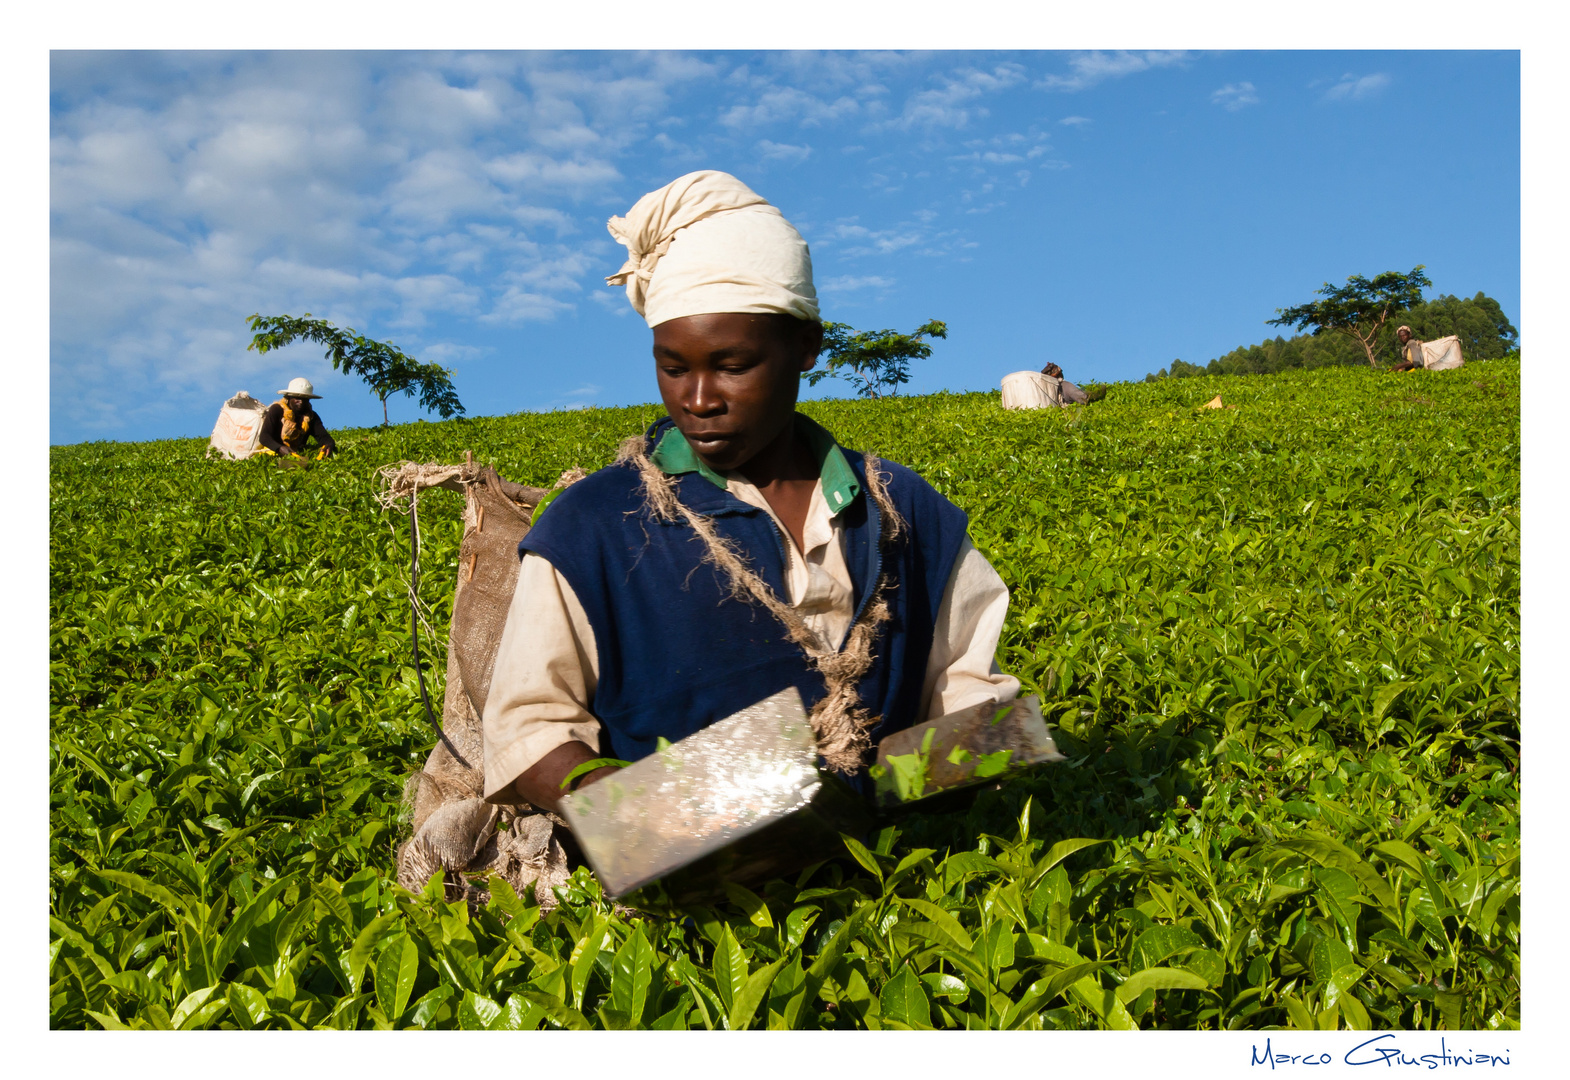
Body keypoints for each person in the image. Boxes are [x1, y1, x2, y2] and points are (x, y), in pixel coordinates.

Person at [482, 170, 1019, 815]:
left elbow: (970, 693)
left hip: (893, 871)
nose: (698, 399)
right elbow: (526, 732)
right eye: (673, 367)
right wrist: (636, 817)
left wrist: (884, 795)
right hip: (689, 895)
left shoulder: (904, 510)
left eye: (732, 366)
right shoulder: (593, 527)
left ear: (806, 349)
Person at [257, 377, 337, 458]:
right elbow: (264, 437)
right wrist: (280, 448)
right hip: (273, 451)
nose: (301, 402)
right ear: (288, 397)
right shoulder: (277, 410)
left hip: (297, 454)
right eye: (297, 398)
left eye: (305, 399)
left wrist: (329, 444)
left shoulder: (311, 417)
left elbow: (324, 437)